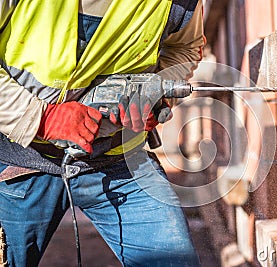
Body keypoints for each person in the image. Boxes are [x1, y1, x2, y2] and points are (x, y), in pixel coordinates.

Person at [0, 0, 205, 266]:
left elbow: (186, 47)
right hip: (19, 160)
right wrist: (41, 117)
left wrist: (156, 94)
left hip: (116, 159)